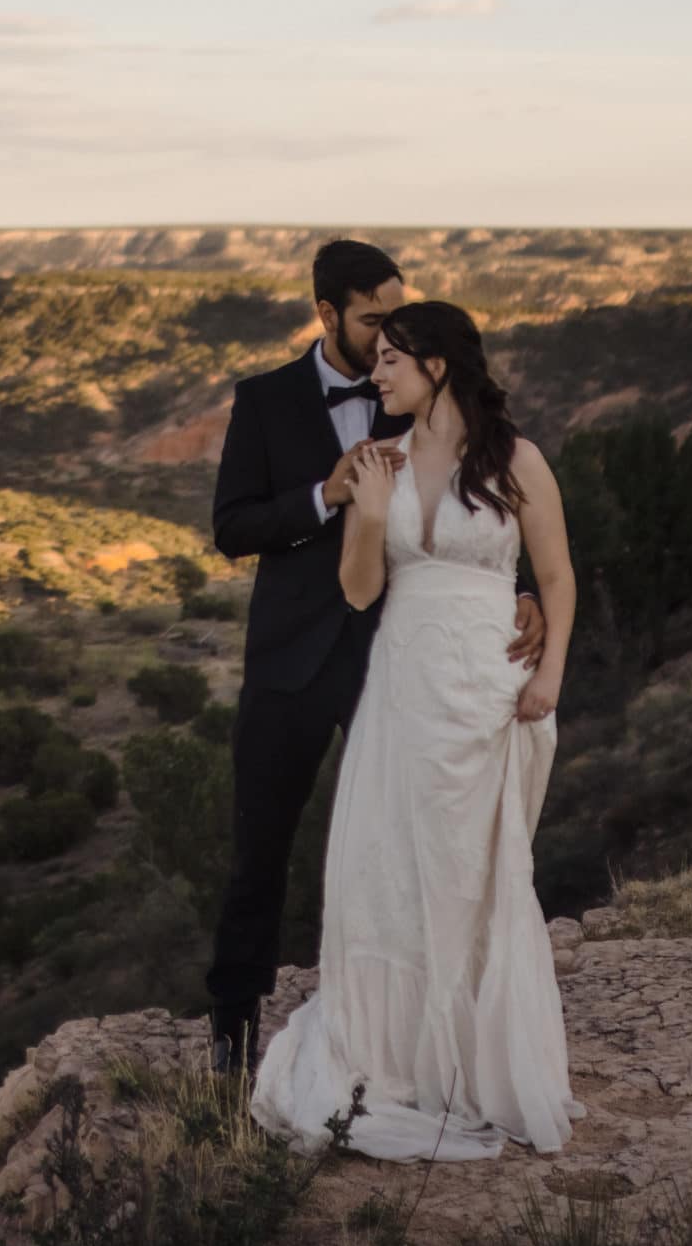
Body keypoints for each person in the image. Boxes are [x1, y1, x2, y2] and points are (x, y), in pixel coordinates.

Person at [249, 299, 583, 1161]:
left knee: (474, 871)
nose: (378, 373)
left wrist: (548, 675)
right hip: (403, 685)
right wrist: (366, 507)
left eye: (393, 359)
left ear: (438, 364)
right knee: (391, 864)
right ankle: (400, 1058)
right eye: (377, 359)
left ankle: (478, 1059)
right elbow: (360, 590)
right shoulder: (376, 459)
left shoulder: (519, 461)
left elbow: (556, 575)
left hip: (488, 689)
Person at [206, 241, 545, 1078]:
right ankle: (232, 1030)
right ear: (325, 313)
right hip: (291, 661)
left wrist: (524, 585)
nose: (385, 332)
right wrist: (327, 494)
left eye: (395, 314)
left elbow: (488, 491)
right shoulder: (264, 401)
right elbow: (232, 527)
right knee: (261, 853)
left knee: (408, 848)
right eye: (369, 318)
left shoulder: (411, 389)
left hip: (403, 664)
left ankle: (410, 1028)